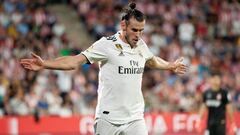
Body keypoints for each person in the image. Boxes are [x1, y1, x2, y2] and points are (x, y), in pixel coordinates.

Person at [20, 3, 187, 135]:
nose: (138, 35)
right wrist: (45, 64)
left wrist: (169, 66)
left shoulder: (141, 45)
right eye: (134, 30)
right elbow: (75, 62)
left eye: (141, 31)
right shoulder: (106, 45)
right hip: (108, 119)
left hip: (135, 118)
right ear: (123, 25)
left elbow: (151, 61)